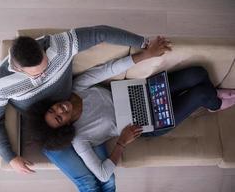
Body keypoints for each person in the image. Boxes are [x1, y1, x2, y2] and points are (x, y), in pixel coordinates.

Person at [38, 36, 235, 185]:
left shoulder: (76, 88)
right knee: (200, 94)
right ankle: (214, 104)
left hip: (142, 91)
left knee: (197, 73)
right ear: (64, 127)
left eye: (52, 109)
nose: (59, 110)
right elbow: (103, 174)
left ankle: (212, 95)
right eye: (58, 118)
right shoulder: (80, 140)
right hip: (145, 123)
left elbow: (108, 69)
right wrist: (121, 143)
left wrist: (146, 54)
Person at [0, 25, 152, 191]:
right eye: (37, 74)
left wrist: (144, 43)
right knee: (88, 184)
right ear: (18, 69)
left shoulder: (59, 45)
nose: (44, 75)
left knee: (108, 182)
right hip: (48, 129)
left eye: (47, 66)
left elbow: (100, 33)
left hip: (74, 115)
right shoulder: (0, 84)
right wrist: (10, 157)